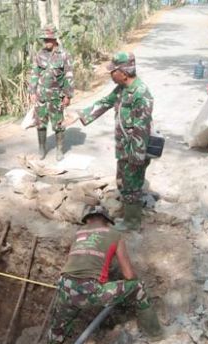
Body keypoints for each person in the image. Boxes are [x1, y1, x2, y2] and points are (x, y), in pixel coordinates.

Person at [44, 205, 163, 344]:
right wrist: (126, 286)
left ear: (88, 219)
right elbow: (128, 274)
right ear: (107, 221)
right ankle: (156, 335)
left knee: (58, 327)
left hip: (65, 288)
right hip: (91, 292)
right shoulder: (114, 235)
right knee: (138, 287)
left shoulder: (78, 234)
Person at [64, 51, 154, 231]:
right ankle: (127, 211)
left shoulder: (141, 94)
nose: (111, 74)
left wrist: (136, 158)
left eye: (113, 71)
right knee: (123, 180)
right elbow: (105, 102)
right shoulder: (122, 89)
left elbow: (142, 129)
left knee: (132, 184)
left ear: (124, 72)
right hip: (124, 147)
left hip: (134, 150)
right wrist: (79, 116)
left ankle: (132, 222)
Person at [28, 25, 75, 161]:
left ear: (54, 39)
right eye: (44, 39)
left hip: (56, 96)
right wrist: (32, 91)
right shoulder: (40, 54)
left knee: (58, 124)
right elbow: (35, 73)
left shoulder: (64, 54)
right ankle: (42, 148)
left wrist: (68, 95)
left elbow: (69, 75)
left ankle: (59, 150)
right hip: (41, 96)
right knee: (40, 123)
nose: (46, 42)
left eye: (48, 39)